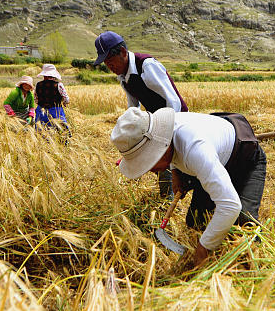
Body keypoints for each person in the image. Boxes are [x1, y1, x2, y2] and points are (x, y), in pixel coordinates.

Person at [110, 107, 266, 267]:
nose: (149, 169)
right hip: (213, 157)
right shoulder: (164, 135)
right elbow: (170, 148)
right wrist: (176, 172)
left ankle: (258, 266)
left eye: (149, 161)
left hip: (244, 158)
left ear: (162, 148)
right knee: (196, 221)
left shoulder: (196, 149)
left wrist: (204, 248)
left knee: (245, 222)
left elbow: (230, 205)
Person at [94, 30, 187, 198]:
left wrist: (168, 133)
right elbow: (133, 109)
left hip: (176, 118)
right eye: (105, 64)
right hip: (157, 122)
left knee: (181, 162)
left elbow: (173, 101)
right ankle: (167, 199)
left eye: (110, 61)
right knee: (160, 161)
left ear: (122, 52)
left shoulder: (146, 66)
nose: (110, 67)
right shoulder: (123, 77)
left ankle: (182, 198)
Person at [34, 64, 71, 138]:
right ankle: (65, 144)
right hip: (56, 110)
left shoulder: (38, 84)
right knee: (61, 130)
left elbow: (35, 99)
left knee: (41, 131)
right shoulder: (58, 85)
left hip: (41, 110)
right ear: (54, 75)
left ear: (44, 75)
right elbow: (66, 99)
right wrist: (64, 103)